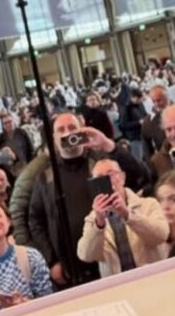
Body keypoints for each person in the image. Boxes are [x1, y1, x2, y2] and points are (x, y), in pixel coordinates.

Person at [28, 112, 148, 288]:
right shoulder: (46, 177)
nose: (67, 133)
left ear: (82, 131)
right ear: (54, 138)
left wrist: (107, 144)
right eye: (61, 129)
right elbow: (35, 220)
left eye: (72, 127)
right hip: (70, 268)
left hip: (109, 259)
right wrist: (51, 260)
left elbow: (140, 175)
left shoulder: (101, 162)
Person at [77, 159, 170, 277]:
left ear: (122, 177)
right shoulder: (93, 218)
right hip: (119, 283)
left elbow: (161, 235)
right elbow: (86, 255)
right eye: (100, 178)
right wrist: (99, 224)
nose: (107, 181)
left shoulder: (148, 204)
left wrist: (127, 214)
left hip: (153, 277)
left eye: (110, 174)